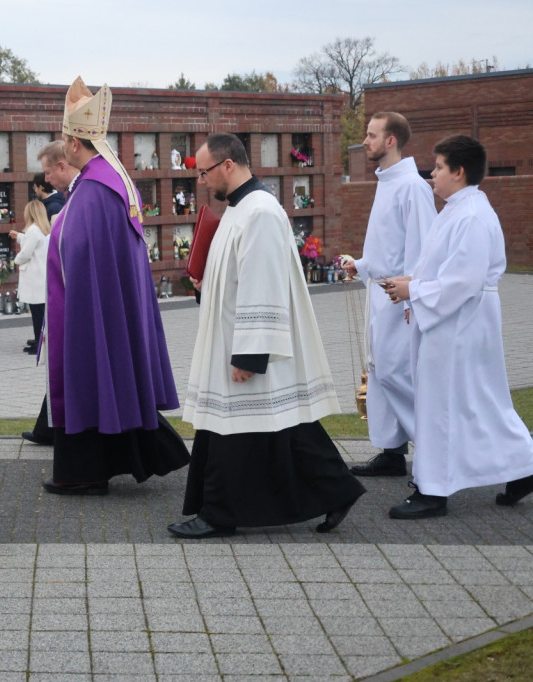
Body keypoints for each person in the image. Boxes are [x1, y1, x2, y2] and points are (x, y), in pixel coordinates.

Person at [169, 133, 365, 539]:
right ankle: (336, 489)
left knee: (245, 428)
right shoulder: (238, 209)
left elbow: (263, 285)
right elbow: (235, 276)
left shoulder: (259, 212)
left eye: (205, 172)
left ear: (227, 166)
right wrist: (206, 282)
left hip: (248, 343)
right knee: (282, 427)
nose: (201, 180)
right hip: (231, 336)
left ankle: (218, 514)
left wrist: (250, 354)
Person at [41, 77, 189, 496]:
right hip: (101, 303)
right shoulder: (108, 180)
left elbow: (78, 251)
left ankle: (85, 472)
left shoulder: (92, 190)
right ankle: (105, 464)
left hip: (89, 311)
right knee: (107, 375)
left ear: (73, 144)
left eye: (64, 137)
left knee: (91, 373)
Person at [382, 135, 533, 518]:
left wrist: (414, 290)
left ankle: (433, 490)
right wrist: (411, 291)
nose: (432, 175)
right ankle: (523, 465)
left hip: (460, 321)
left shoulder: (471, 216)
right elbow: (438, 265)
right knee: (477, 401)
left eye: (438, 167)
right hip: (454, 317)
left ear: (459, 172)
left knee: (441, 404)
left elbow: (462, 281)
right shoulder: (456, 210)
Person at [344, 113, 436, 476]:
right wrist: (362, 265)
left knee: (396, 373)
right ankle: (392, 452)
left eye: (371, 135)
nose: (365, 141)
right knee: (379, 371)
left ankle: (433, 449)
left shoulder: (412, 187)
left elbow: (422, 247)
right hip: (380, 290)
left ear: (391, 140)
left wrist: (414, 295)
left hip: (400, 296)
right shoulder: (387, 182)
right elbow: (388, 244)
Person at [21, 141, 82, 447]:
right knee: (59, 369)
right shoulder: (69, 199)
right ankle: (49, 428)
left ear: (61, 165)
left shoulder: (68, 203)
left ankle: (52, 429)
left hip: (72, 300)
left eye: (47, 172)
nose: (45, 180)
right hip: (60, 295)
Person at [10, 200, 50, 356]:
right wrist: (19, 236)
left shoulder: (33, 230)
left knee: (37, 314)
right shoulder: (42, 229)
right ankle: (38, 339)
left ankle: (39, 343)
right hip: (41, 277)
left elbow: (26, 253)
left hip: (34, 278)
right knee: (39, 312)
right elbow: (31, 242)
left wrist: (15, 260)